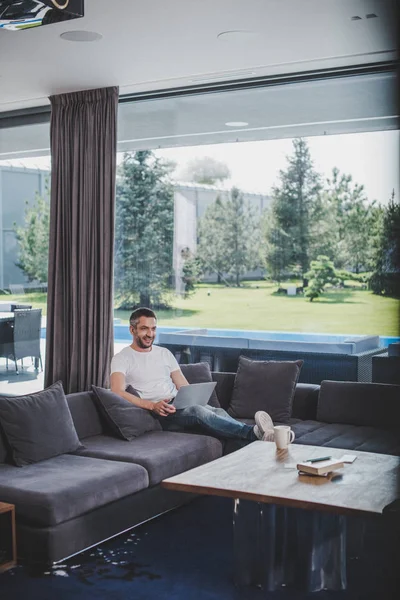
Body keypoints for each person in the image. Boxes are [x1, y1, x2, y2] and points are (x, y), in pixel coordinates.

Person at [110, 307, 274, 443]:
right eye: (144, 329)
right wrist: (152, 405)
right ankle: (253, 434)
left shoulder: (164, 353)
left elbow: (182, 384)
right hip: (158, 413)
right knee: (197, 410)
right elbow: (117, 391)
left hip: (177, 404)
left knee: (215, 411)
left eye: (153, 329)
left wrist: (192, 396)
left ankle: (261, 435)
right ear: (132, 330)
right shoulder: (122, 358)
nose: (150, 334)